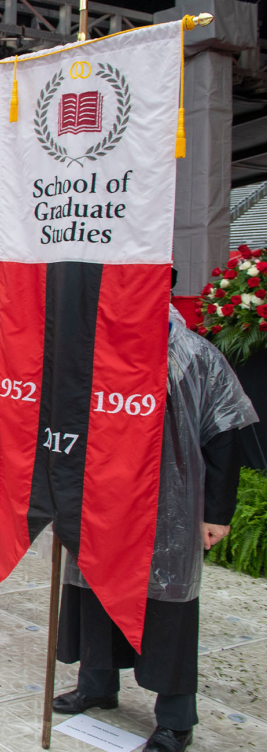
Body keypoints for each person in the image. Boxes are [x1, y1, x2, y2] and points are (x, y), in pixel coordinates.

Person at [53, 304, 257, 752]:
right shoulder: (97, 346)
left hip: (167, 505)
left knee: (168, 608)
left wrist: (217, 513)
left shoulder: (193, 355)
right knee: (93, 593)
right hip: (100, 501)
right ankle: (97, 684)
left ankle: (176, 719)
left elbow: (225, 434)